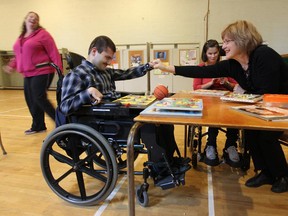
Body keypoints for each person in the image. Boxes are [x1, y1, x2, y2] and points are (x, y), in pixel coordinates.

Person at [152, 20, 288, 193]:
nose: (223, 47)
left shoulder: (263, 55)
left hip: (280, 108)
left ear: (241, 39)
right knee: (251, 131)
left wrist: (243, 92)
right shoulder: (234, 64)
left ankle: (283, 175)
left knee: (266, 136)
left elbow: (266, 94)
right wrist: (166, 68)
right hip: (262, 107)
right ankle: (266, 173)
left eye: (226, 41)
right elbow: (202, 71)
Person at [60, 35, 191, 175]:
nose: (109, 62)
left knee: (163, 120)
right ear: (94, 51)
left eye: (111, 58)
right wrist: (87, 93)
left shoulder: (105, 72)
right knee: (149, 124)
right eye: (107, 57)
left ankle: (170, 160)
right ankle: (161, 169)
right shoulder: (76, 75)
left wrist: (148, 66)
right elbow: (65, 106)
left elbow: (127, 73)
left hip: (115, 112)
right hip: (103, 119)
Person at [2, 11, 63, 135]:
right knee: (31, 99)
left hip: (43, 70)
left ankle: (61, 122)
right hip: (28, 73)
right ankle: (38, 125)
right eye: (30, 17)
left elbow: (53, 51)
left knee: (39, 97)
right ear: (25, 20)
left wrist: (59, 68)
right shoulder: (21, 37)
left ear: (37, 23)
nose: (33, 19)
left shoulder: (43, 34)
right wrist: (11, 66)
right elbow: (18, 55)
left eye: (36, 18)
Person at [194, 39, 240, 167]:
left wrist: (225, 82)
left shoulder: (226, 65)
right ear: (205, 54)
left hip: (226, 101)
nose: (213, 56)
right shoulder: (201, 68)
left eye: (215, 53)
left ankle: (230, 145)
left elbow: (237, 86)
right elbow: (196, 87)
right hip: (209, 102)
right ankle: (211, 145)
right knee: (212, 115)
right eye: (210, 53)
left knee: (234, 115)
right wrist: (211, 83)